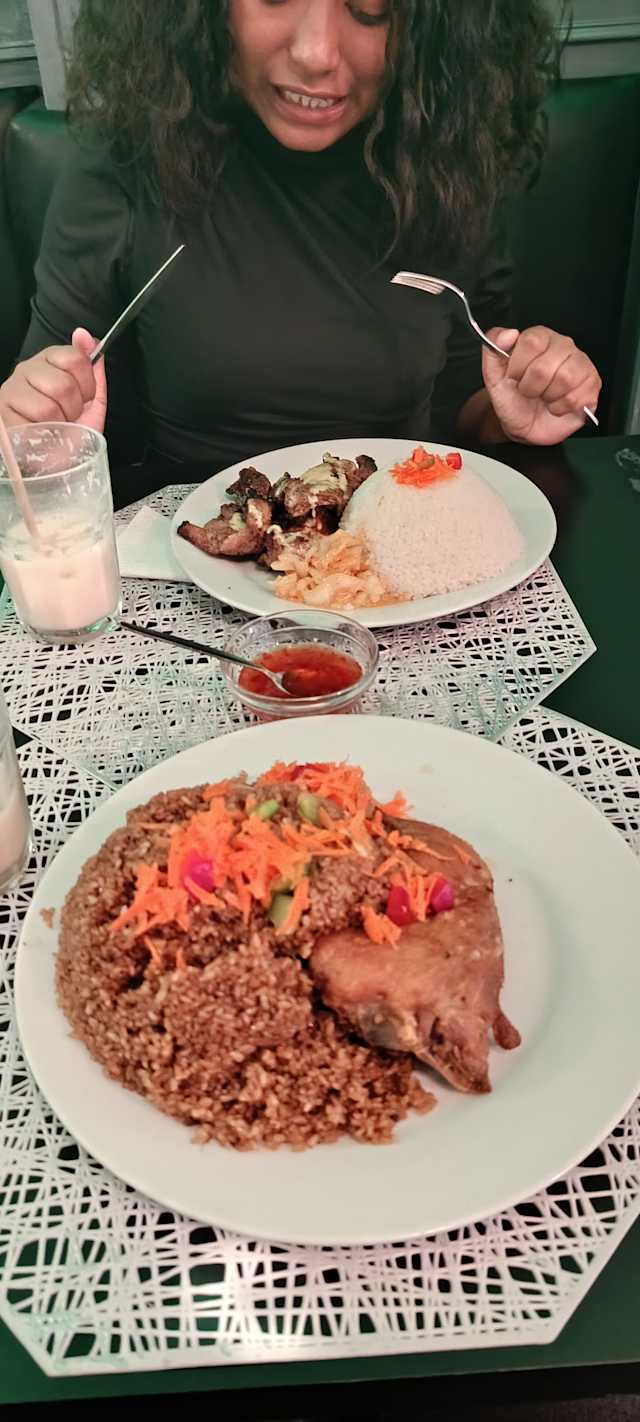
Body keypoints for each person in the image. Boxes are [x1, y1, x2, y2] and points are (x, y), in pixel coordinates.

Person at [1, 0, 601, 477]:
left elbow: (465, 398)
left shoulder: (450, 163)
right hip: (186, 551)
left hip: (401, 542)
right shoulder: (127, 162)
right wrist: (32, 429)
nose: (316, 53)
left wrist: (512, 414)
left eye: (369, 10)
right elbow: (48, 420)